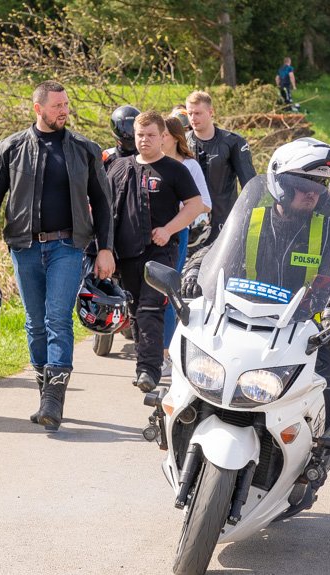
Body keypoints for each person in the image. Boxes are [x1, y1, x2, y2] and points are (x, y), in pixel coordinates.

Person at [182, 138, 330, 432]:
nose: (314, 193)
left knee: (329, 387)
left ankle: (316, 454)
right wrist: (194, 272)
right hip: (236, 320)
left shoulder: (327, 230)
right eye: (307, 183)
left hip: (300, 329)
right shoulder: (251, 219)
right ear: (282, 184)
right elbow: (213, 250)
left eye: (321, 185)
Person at [0, 80, 115, 432]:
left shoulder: (85, 148)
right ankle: (45, 395)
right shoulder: (9, 148)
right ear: (38, 109)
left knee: (57, 318)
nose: (64, 111)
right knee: (34, 322)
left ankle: (54, 400)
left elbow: (102, 202)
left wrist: (105, 249)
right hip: (24, 247)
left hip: (68, 247)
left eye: (66, 104)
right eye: (57, 106)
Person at [107, 111, 203, 392]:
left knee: (151, 309)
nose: (145, 140)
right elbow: (106, 208)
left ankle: (149, 370)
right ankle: (144, 366)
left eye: (150, 135)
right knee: (136, 311)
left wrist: (169, 229)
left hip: (161, 253)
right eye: (140, 135)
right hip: (126, 253)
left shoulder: (175, 170)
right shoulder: (119, 167)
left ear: (163, 136)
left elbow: (195, 205)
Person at [159, 115, 212, 377]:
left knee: (167, 294)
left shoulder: (189, 166)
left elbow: (205, 203)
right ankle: (152, 352)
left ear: (175, 138)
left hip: (176, 236)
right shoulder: (148, 162)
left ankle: (166, 355)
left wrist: (177, 209)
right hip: (147, 235)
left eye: (163, 134)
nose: (158, 139)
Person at [185, 90, 257, 244]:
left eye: (198, 113)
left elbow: (250, 185)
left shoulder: (233, 142)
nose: (193, 118)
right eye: (189, 113)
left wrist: (246, 218)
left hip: (224, 221)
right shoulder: (182, 142)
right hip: (189, 221)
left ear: (210, 112)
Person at [102, 105, 140, 170]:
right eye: (125, 128)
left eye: (131, 128)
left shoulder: (148, 155)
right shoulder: (106, 156)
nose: (128, 135)